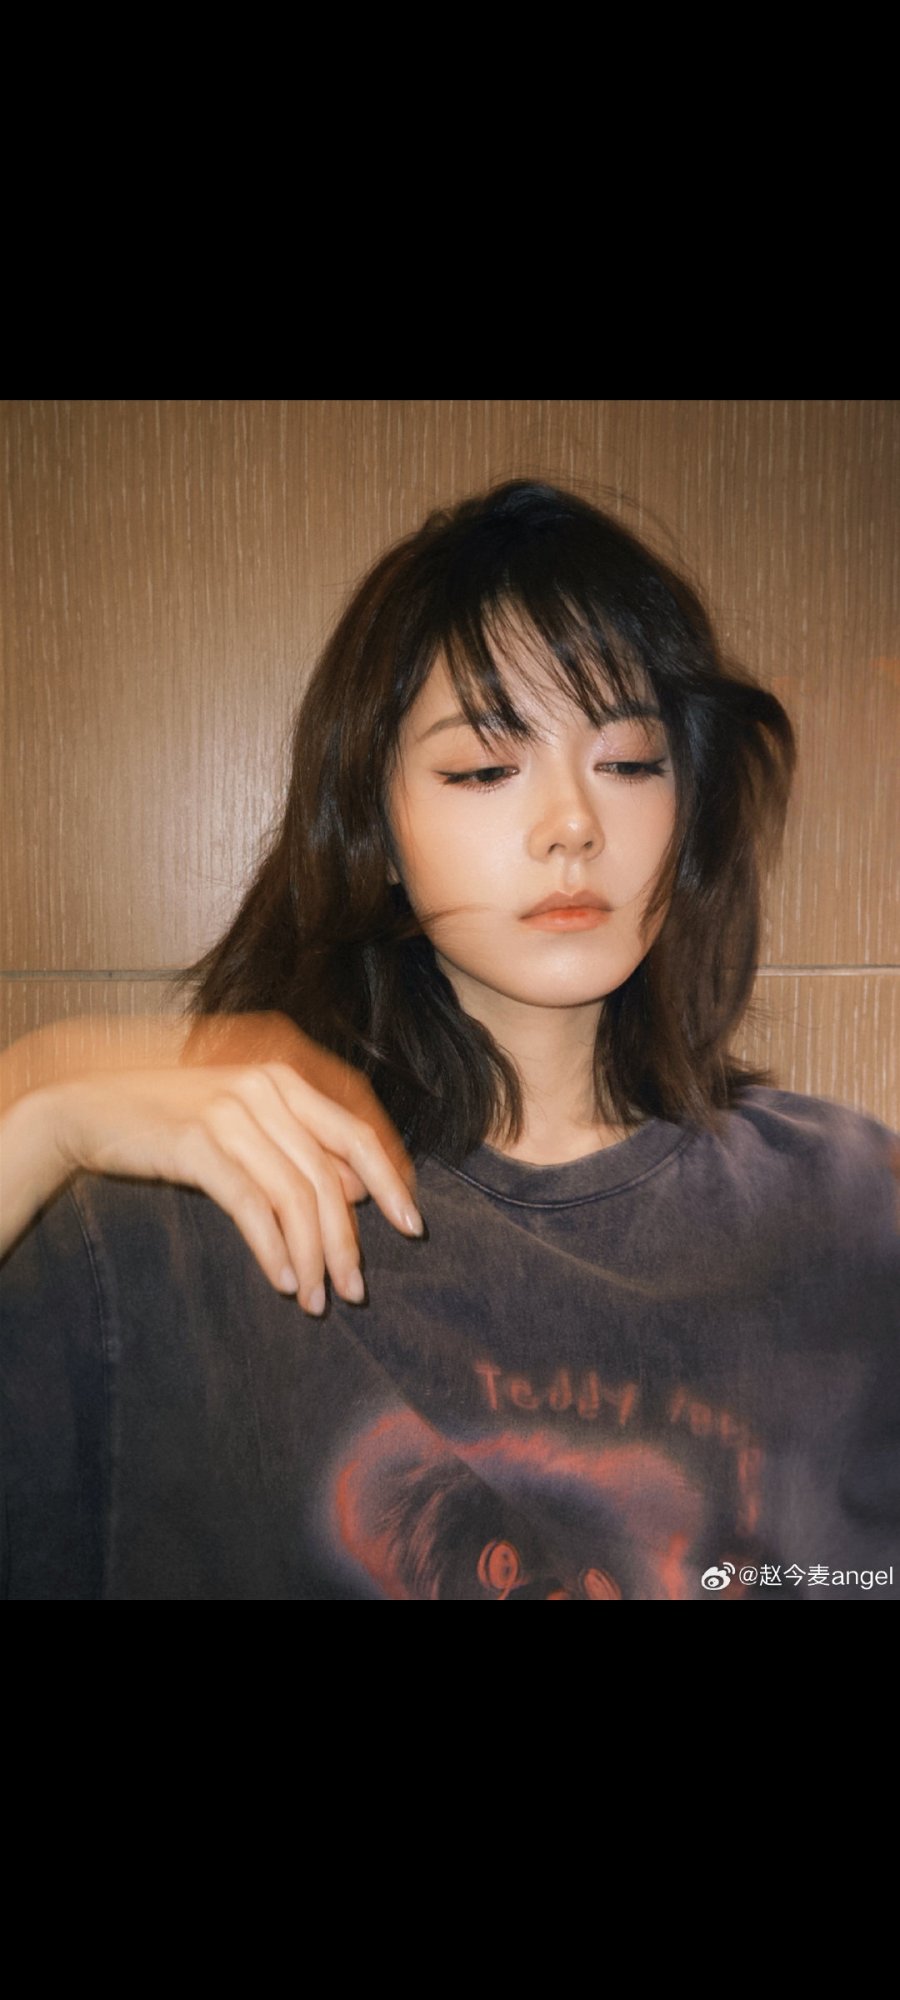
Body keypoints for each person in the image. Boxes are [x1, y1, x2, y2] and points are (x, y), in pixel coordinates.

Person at [1, 480, 898, 1601]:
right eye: (484, 767)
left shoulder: (854, 1209)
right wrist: (32, 1105)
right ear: (376, 828)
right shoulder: (170, 1226)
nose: (573, 825)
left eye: (630, 762)